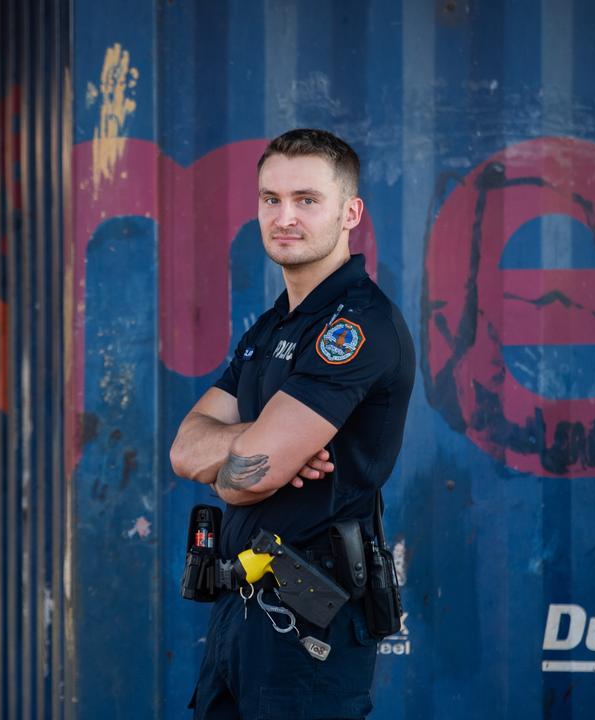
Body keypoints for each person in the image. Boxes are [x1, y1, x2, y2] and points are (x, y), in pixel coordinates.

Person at [169, 128, 415, 719]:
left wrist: (246, 460)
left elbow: (247, 479)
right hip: (238, 611)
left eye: (307, 199)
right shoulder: (273, 326)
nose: (285, 217)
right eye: (270, 199)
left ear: (349, 212)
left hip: (309, 625)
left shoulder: (356, 328)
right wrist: (253, 445)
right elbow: (183, 447)